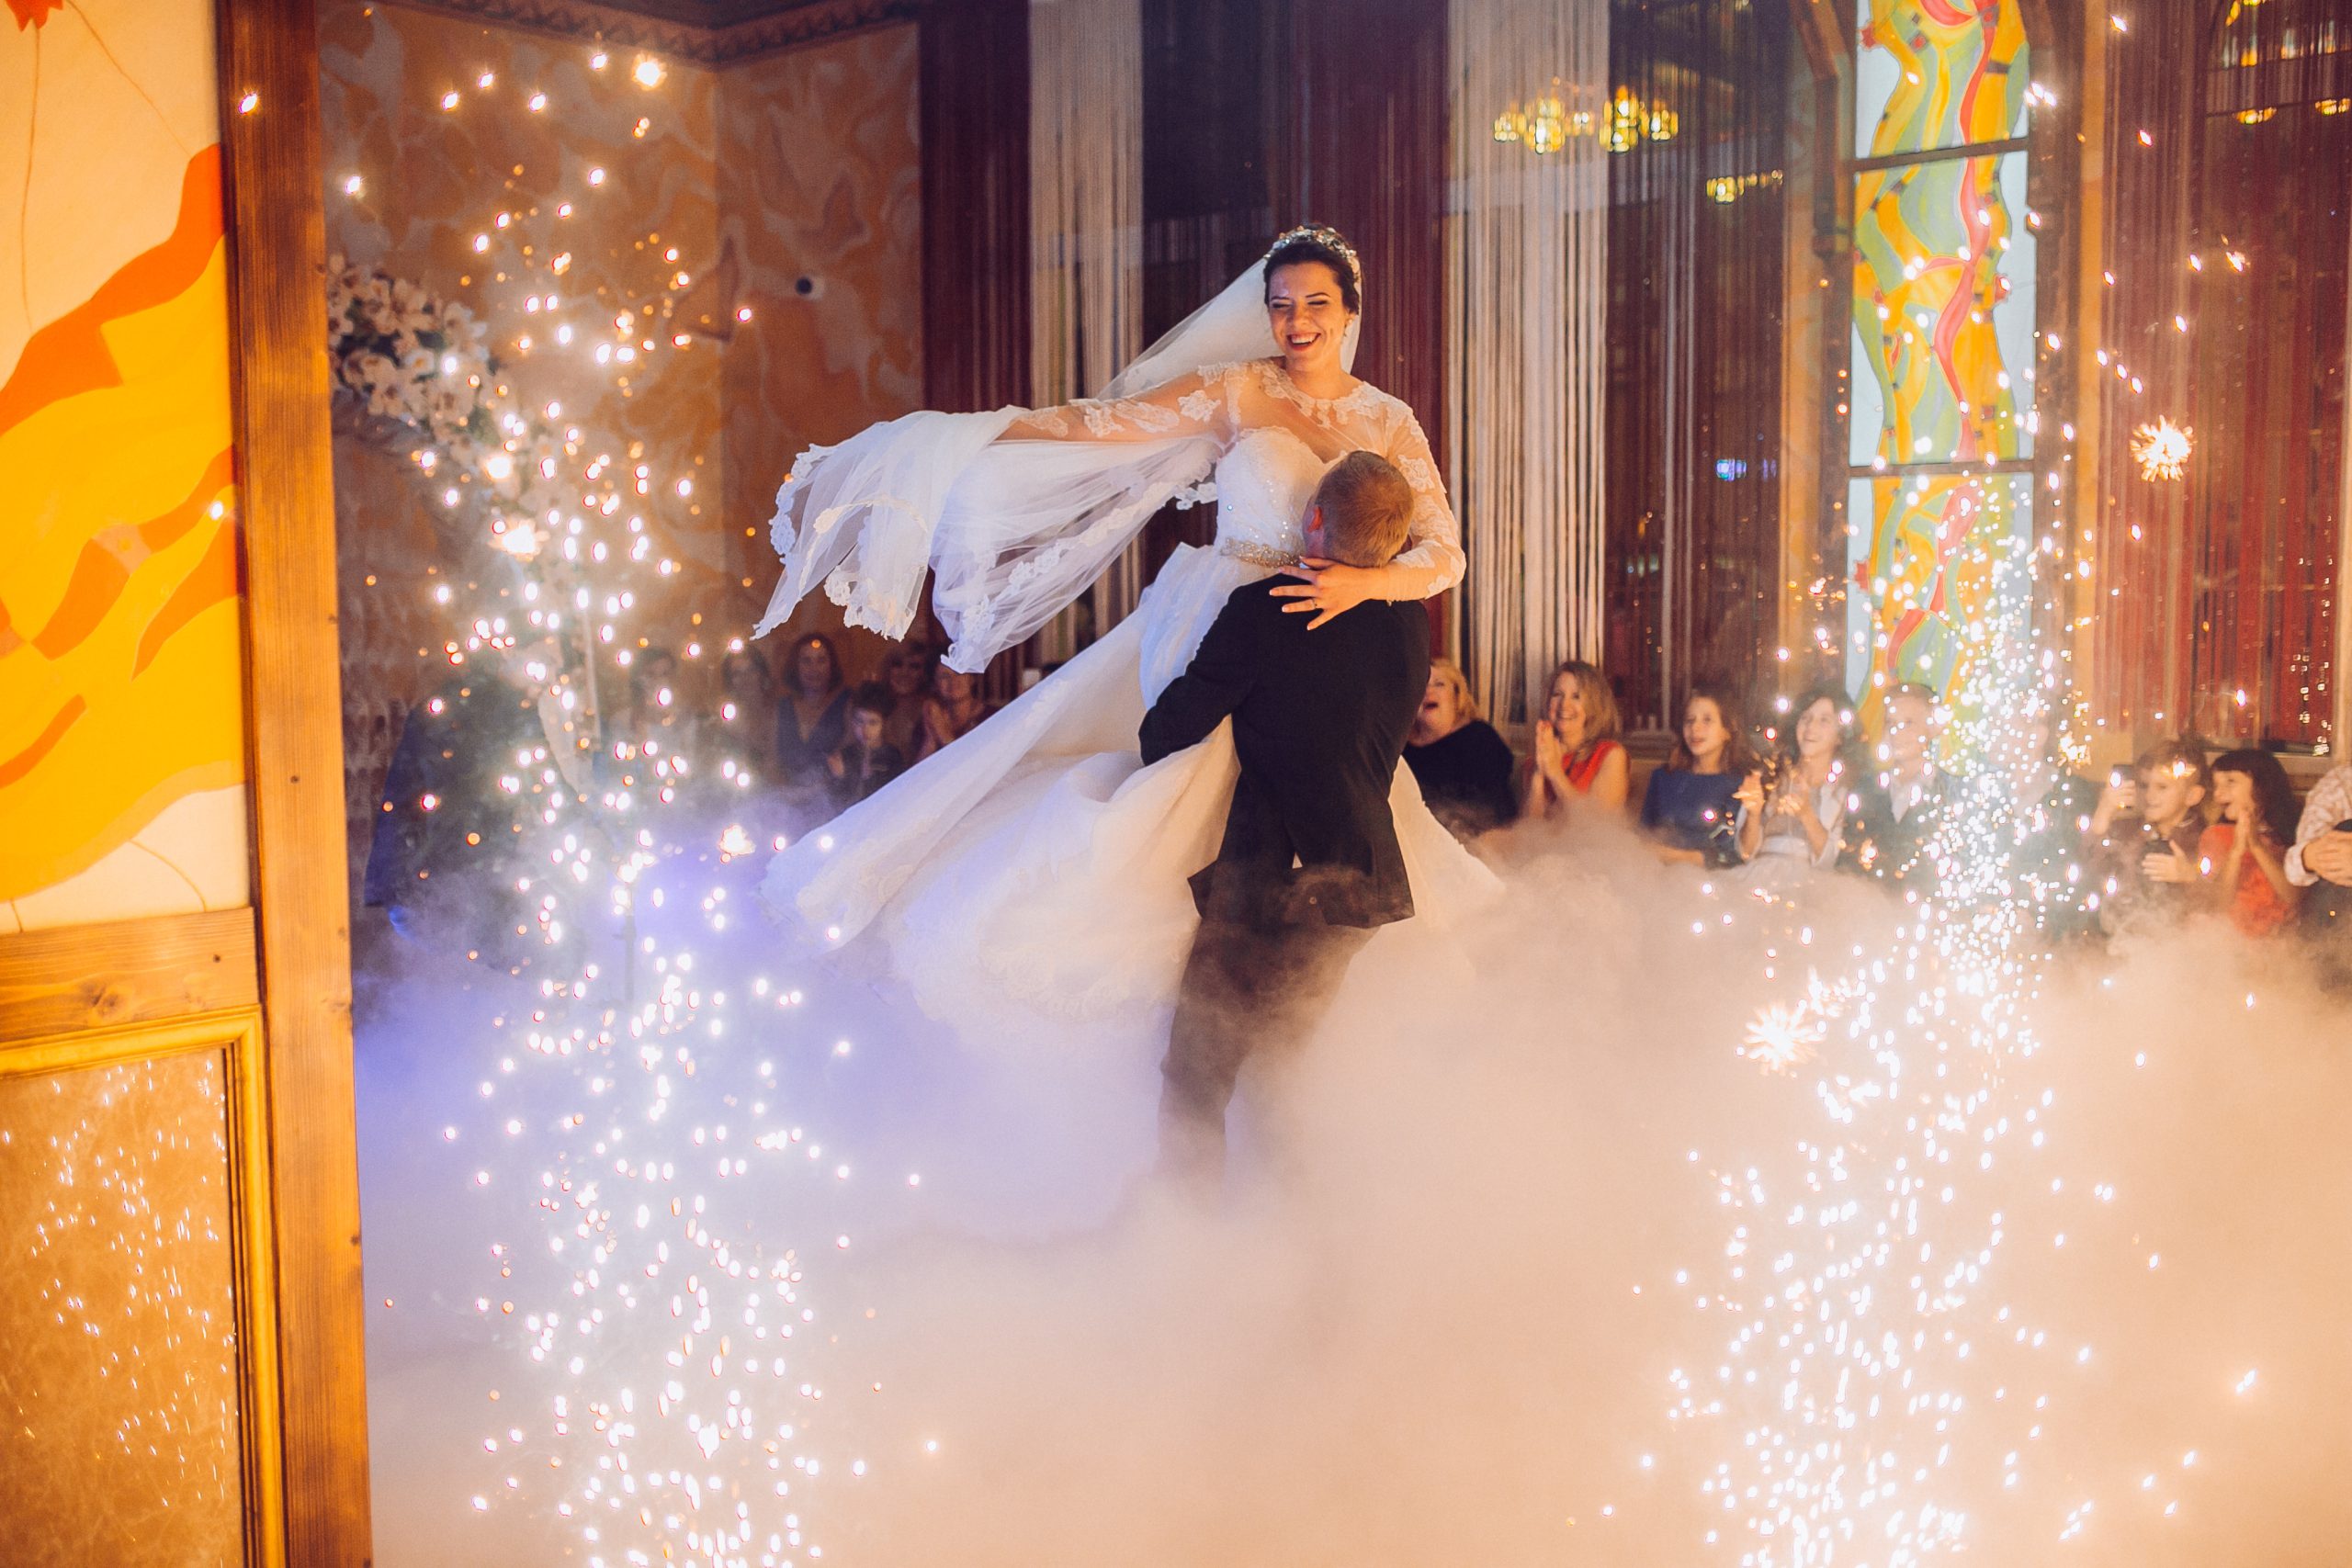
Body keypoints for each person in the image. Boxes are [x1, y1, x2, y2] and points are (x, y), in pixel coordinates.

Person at [752, 223, 1498, 1033]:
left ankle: (1275, 1027)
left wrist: (1361, 582)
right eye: (1281, 305)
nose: (1297, 322)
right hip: (1228, 616)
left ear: (1349, 313)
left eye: (1316, 303)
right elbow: (1102, 426)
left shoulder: (1388, 419)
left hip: (1331, 646)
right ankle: (1164, 1018)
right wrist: (975, 433)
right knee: (1179, 792)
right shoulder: (1239, 389)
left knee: (1322, 807)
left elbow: (1446, 554)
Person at [1137, 452, 1426, 1180]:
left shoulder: (1268, 610)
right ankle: (1298, 1258)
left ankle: (1189, 1249)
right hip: (1364, 885)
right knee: (1285, 1078)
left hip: (1279, 882)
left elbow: (1171, 728)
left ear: (1317, 518)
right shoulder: (1411, 624)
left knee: (1196, 1075)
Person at [1732, 683, 1851, 891]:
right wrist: (1753, 813)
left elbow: (1829, 861)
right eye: (1805, 717)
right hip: (1758, 879)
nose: (1810, 727)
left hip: (1812, 888)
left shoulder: (1843, 790)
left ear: (1840, 734)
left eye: (1824, 720)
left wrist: (1806, 813)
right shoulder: (1771, 776)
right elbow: (1745, 853)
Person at [2084, 738, 2209, 935]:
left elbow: (2222, 906)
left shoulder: (2207, 839)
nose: (2150, 796)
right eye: (2144, 785)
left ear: (2193, 795)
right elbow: (2089, 873)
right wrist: (2102, 815)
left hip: (2180, 949)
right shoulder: (2126, 831)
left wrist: (2191, 878)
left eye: (2162, 787)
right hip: (2122, 941)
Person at [1840, 682, 1957, 891]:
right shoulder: (1865, 789)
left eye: (1909, 723)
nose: (1896, 732)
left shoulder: (1950, 793)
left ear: (1933, 728)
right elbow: (1847, 858)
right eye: (1890, 723)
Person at [1641, 682, 1753, 867]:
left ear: (1727, 731)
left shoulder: (1738, 785)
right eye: (1689, 720)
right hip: (1657, 873)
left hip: (1712, 880)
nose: (1695, 728)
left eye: (1707, 720)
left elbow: (1733, 854)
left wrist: (1676, 857)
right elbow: (1643, 834)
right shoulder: (1662, 778)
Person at [1403, 658, 1517, 837]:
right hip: (1417, 839)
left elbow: (1494, 807)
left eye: (1439, 684)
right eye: (1423, 684)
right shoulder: (1401, 748)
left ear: (1457, 696)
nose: (1429, 690)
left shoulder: (1479, 737)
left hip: (1478, 840)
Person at [2199, 749, 2302, 938]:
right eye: (2216, 786)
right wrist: (2236, 852)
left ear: (2263, 786)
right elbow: (2219, 906)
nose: (2218, 794)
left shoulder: (2295, 834)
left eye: (2231, 782)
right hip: (2233, 943)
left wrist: (2256, 846)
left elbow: (2294, 897)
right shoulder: (2216, 835)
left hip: (2283, 945)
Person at [1521, 660, 1628, 821]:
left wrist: (1555, 773)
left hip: (1591, 845)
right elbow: (1528, 830)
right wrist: (1538, 773)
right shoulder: (1533, 761)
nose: (1564, 704)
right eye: (1557, 694)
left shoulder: (1611, 755)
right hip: (1546, 845)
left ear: (1594, 704)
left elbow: (1598, 828)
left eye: (1576, 697)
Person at [774, 633, 851, 793]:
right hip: (787, 800)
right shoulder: (782, 708)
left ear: (831, 665)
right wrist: (785, 792)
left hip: (831, 799)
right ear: (796, 666)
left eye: (821, 660)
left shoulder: (847, 704)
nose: (813, 668)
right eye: (806, 661)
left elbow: (849, 758)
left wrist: (811, 792)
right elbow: (772, 759)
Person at [826, 682, 905, 811]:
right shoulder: (846, 755)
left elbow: (892, 800)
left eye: (873, 723)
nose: (865, 730)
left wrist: (868, 775)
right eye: (859, 721)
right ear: (852, 721)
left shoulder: (892, 757)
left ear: (884, 724)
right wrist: (839, 777)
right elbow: (836, 803)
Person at [715, 644, 777, 780]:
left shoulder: (781, 713)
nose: (745, 679)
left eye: (751, 670)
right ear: (729, 680)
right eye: (737, 673)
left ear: (761, 674)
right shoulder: (725, 720)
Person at [914, 664, 999, 762]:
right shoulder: (928, 723)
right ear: (935, 684)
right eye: (944, 676)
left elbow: (975, 767)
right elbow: (918, 775)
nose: (953, 681)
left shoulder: (994, 717)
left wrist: (943, 734)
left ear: (971, 678)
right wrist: (930, 740)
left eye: (959, 673)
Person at [879, 644, 938, 757]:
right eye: (897, 664)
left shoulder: (931, 710)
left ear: (924, 673)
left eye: (914, 667)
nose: (904, 673)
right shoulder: (874, 705)